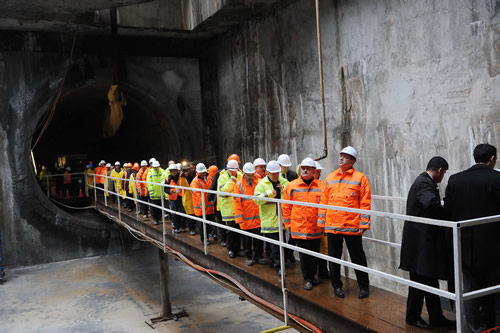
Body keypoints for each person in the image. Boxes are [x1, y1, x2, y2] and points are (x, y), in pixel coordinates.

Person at [444, 143, 500, 332]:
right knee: (495, 289)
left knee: (471, 290)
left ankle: (475, 328)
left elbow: (448, 211)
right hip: (494, 246)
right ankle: (494, 326)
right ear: (492, 158)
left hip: (464, 246)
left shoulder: (455, 180)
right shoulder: (497, 178)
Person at [400, 156, 455, 329]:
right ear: (439, 170)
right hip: (421, 244)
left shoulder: (422, 181)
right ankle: (413, 317)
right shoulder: (424, 183)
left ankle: (436, 317)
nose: (443, 176)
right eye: (444, 172)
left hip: (421, 243)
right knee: (420, 281)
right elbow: (430, 204)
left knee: (429, 280)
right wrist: (449, 209)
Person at [318, 146, 371, 299]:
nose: (341, 158)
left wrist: (363, 224)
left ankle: (364, 287)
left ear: (353, 161)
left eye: (345, 156)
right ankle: (337, 286)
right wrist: (322, 224)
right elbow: (323, 203)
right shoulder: (330, 178)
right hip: (333, 225)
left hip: (352, 225)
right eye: (340, 155)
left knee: (358, 257)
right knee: (334, 257)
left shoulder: (360, 178)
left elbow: (365, 203)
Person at [283, 157, 324, 290]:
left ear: (314, 171)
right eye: (303, 168)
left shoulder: (321, 186)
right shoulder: (292, 185)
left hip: (316, 227)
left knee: (315, 253)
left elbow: (325, 206)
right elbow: (286, 207)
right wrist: (288, 225)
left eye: (308, 168)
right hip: (299, 227)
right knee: (304, 255)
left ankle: (312, 276)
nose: (305, 170)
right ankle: (307, 279)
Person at [253, 160, 289, 276]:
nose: (275, 175)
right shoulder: (262, 184)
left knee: (280, 244)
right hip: (270, 220)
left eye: (277, 173)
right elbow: (256, 199)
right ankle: (279, 267)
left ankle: (275, 262)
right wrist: (269, 194)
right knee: (275, 246)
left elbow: (291, 190)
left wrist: (284, 188)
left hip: (281, 219)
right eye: (273, 173)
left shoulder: (283, 181)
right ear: (268, 173)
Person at [234, 162, 267, 266]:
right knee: (246, 241)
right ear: (244, 174)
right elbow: (237, 203)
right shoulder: (239, 185)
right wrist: (239, 219)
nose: (251, 177)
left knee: (258, 239)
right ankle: (248, 257)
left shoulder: (260, 182)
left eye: (252, 175)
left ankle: (258, 256)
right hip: (246, 218)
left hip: (258, 218)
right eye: (249, 175)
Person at [218, 159, 243, 258]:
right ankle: (231, 249)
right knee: (231, 231)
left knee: (238, 230)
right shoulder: (222, 178)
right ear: (228, 169)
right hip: (228, 209)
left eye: (235, 170)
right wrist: (231, 181)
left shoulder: (240, 176)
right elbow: (223, 191)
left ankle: (237, 249)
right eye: (232, 170)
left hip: (238, 208)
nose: (234, 172)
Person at [278, 153, 298, 265]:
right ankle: (284, 255)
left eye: (287, 166)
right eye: (284, 166)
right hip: (280, 208)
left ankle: (289, 252)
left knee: (292, 233)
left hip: (291, 206)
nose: (286, 168)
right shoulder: (275, 175)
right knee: (282, 233)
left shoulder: (292, 174)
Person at [191, 163, 216, 244]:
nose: (202, 174)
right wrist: (203, 206)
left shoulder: (209, 178)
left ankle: (208, 236)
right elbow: (198, 196)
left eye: (203, 172)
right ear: (197, 172)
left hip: (209, 207)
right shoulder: (195, 182)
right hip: (201, 209)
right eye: (201, 172)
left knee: (209, 223)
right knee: (202, 226)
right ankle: (204, 239)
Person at [314, 160, 329, 279]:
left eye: (319, 172)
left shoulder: (323, 185)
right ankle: (316, 272)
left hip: (322, 221)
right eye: (317, 172)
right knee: (315, 248)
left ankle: (323, 271)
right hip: (312, 222)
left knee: (324, 248)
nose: (319, 174)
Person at [164, 163, 185, 233]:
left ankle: (183, 226)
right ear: (170, 171)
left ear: (177, 170)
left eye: (175, 170)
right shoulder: (168, 179)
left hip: (180, 196)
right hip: (173, 198)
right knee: (174, 213)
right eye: (172, 171)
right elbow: (165, 189)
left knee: (182, 212)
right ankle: (176, 227)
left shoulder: (181, 177)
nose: (174, 172)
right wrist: (169, 191)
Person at [147, 160, 164, 225]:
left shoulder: (162, 171)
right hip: (154, 194)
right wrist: (151, 193)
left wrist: (161, 182)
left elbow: (165, 178)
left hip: (160, 193)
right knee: (154, 208)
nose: (156, 168)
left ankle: (159, 219)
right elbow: (149, 184)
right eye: (155, 167)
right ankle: (155, 219)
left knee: (160, 208)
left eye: (157, 167)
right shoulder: (150, 173)